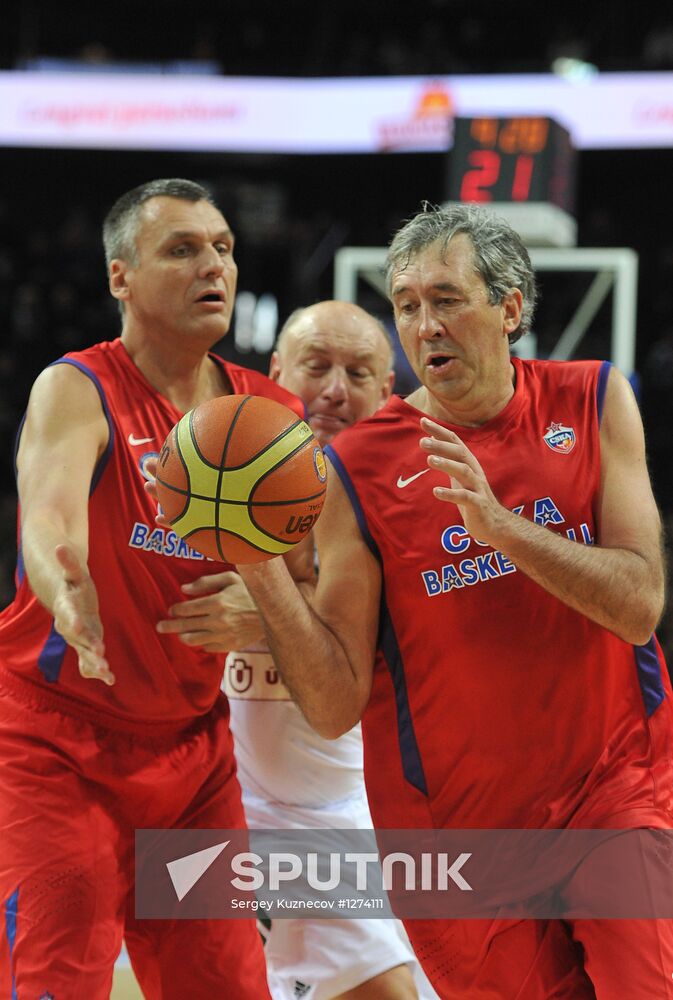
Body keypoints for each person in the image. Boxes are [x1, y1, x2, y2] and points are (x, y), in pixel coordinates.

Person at [234, 204, 673, 999]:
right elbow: (333, 705)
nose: (424, 324)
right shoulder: (357, 468)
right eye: (406, 306)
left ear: (509, 309)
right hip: (454, 837)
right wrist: (259, 569)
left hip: (610, 794)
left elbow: (638, 603)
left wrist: (502, 530)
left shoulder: (592, 398)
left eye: (446, 299)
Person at [0, 178, 309, 999]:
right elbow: (48, 516)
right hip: (57, 745)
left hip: (193, 761)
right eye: (182, 249)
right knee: (57, 983)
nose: (212, 264)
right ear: (119, 277)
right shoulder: (78, 387)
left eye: (222, 249)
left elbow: (319, 587)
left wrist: (271, 611)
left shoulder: (270, 414)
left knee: (229, 989)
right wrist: (66, 587)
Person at [157, 299, 439, 999]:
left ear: (388, 396)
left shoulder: (415, 504)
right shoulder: (199, 477)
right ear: (276, 372)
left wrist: (267, 613)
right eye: (315, 367)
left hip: (383, 821)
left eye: (358, 373)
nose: (334, 390)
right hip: (254, 821)